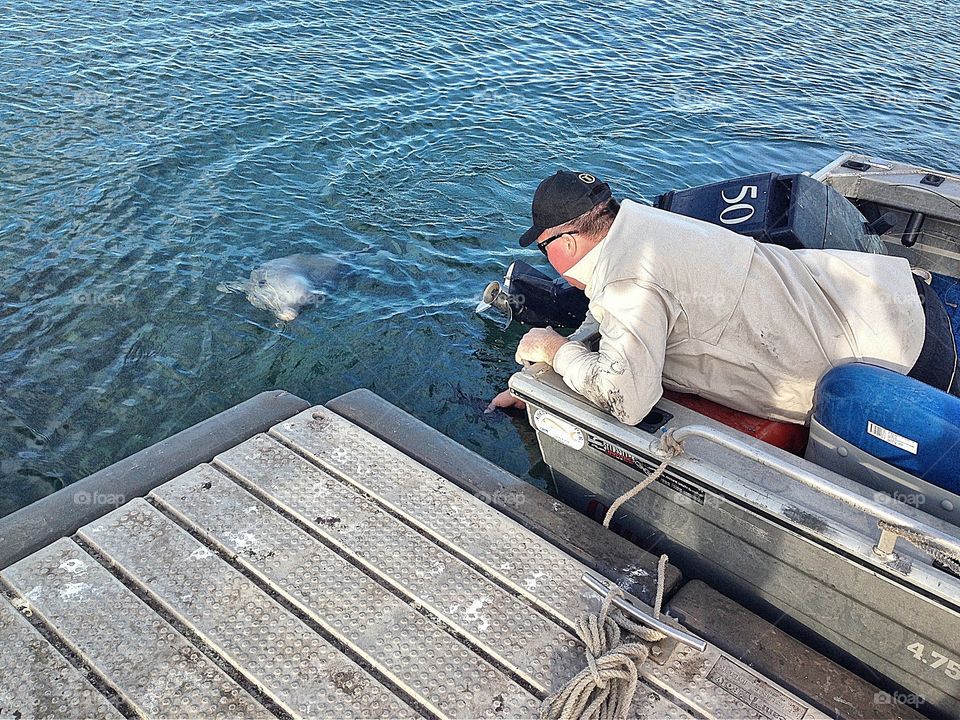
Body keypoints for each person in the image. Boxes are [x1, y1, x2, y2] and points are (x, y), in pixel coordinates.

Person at [488, 170, 958, 425]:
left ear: (565, 242)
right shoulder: (648, 225)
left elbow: (626, 400)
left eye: (545, 246)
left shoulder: (627, 284)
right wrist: (551, 371)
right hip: (909, 299)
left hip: (904, 377)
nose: (548, 257)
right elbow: (627, 308)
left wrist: (553, 349)